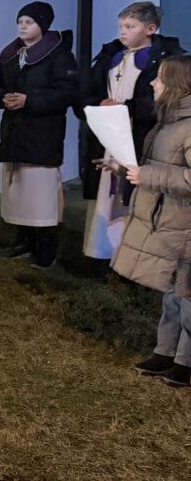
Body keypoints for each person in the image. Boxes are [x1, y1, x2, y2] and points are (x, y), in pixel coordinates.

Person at [106, 55, 191, 388]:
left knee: (187, 296)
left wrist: (148, 174)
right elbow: (156, 166)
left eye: (160, 78)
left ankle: (186, 362)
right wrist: (122, 169)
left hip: (184, 225)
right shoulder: (168, 122)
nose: (154, 83)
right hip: (168, 222)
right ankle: (166, 352)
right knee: (172, 293)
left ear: (179, 86)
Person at [79, 2, 185, 260]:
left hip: (138, 136)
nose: (122, 32)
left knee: (132, 194)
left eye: (130, 26)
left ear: (150, 28)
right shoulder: (111, 56)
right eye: (121, 26)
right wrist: (96, 103)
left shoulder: (165, 60)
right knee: (106, 192)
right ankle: (103, 250)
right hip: (107, 136)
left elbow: (166, 99)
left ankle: (132, 254)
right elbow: (86, 90)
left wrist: (128, 107)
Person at [0, 2, 76, 269]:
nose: (23, 26)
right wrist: (2, 98)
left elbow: (67, 92)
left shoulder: (58, 56)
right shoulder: (10, 54)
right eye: (20, 21)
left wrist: (30, 100)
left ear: (43, 25)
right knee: (18, 193)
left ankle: (46, 250)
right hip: (15, 133)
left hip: (42, 136)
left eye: (29, 22)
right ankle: (23, 240)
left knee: (41, 196)